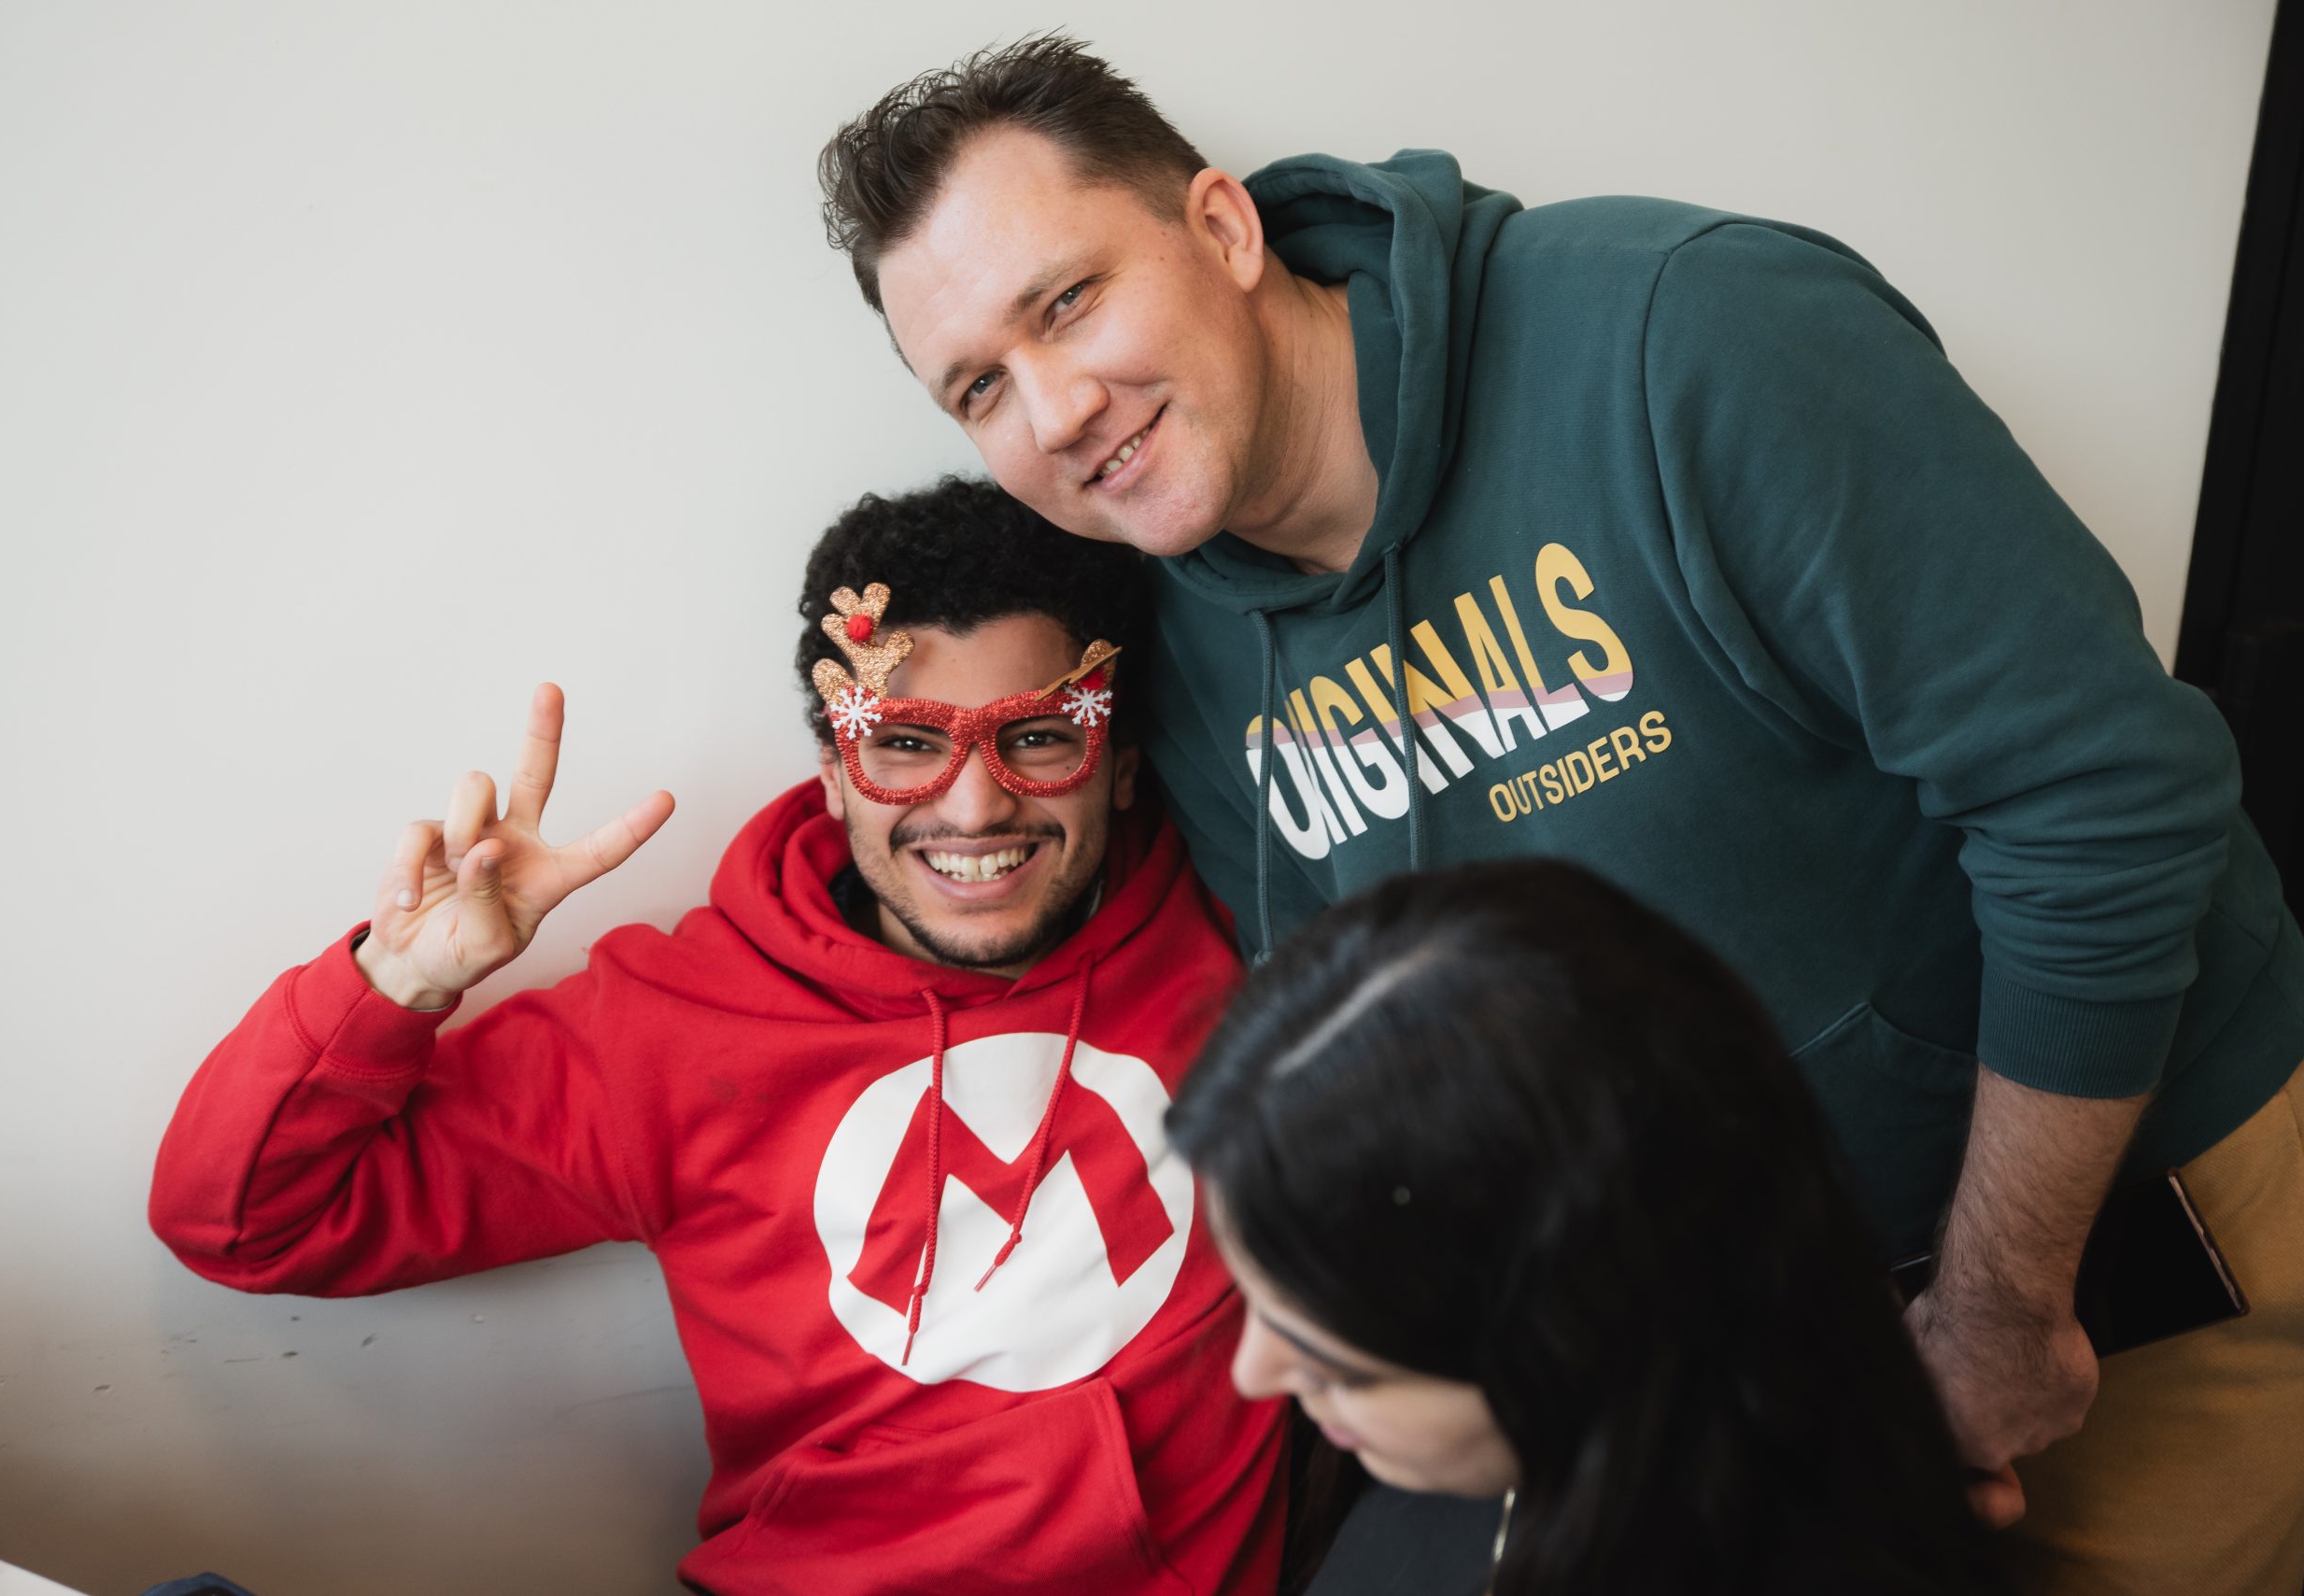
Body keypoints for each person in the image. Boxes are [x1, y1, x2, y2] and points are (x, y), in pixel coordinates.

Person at [815, 35, 2304, 1595]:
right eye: (979, 385)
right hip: (1764, 1382)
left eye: (1067, 300)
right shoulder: (1173, 643)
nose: (1053, 408)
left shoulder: (1691, 336)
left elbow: (2104, 804)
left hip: (2129, 1248)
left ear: (1224, 228)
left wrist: (2001, 1307)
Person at [148, 477, 1286, 1596]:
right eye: (903, 743)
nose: (974, 806)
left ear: (1120, 764)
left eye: (1036, 737)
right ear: (834, 775)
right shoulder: (674, 1024)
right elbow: (241, 1225)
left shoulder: (1235, 919)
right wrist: (397, 984)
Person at [1164, 859, 2007, 1596]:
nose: (1251, 1373)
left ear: (1579, 1333)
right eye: (1257, 1300)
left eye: (1342, 1368)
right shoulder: (1469, 1467)